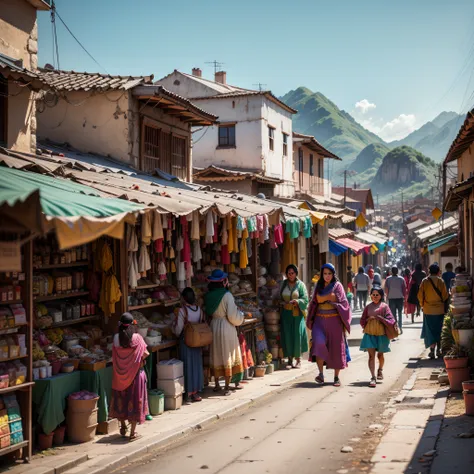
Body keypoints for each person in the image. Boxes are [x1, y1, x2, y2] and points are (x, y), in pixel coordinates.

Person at [307, 263, 351, 387]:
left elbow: (343, 303)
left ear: (333, 274)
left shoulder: (338, 286)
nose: (327, 276)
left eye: (329, 274)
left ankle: (336, 377)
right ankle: (320, 374)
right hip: (319, 320)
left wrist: (327, 298)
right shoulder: (318, 286)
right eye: (325, 273)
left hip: (334, 321)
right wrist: (329, 297)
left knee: (336, 348)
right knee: (319, 343)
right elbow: (316, 300)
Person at [205, 269, 244, 396]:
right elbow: (232, 316)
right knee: (228, 355)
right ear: (223, 282)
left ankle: (216, 384)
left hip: (214, 326)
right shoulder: (227, 295)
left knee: (216, 354)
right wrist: (241, 316)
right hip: (226, 326)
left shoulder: (208, 296)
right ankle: (227, 386)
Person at [110, 312, 149, 441]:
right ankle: (132, 433)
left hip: (119, 376)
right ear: (133, 324)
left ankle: (122, 427)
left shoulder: (116, 338)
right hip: (135, 375)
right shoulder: (137, 338)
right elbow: (145, 354)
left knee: (121, 400)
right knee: (135, 401)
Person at [172, 287, 204, 402]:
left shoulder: (182, 311)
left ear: (184, 298)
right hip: (197, 341)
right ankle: (196, 391)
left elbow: (178, 329)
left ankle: (188, 393)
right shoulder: (199, 310)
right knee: (196, 366)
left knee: (187, 366)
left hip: (186, 341)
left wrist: (173, 330)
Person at [360, 287, 396, 387]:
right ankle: (373, 377)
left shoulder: (385, 307)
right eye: (373, 295)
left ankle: (380, 369)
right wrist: (368, 320)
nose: (375, 297)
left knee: (380, 355)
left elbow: (391, 320)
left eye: (377, 295)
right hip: (369, 334)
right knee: (371, 356)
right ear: (370, 295)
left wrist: (381, 319)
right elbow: (362, 320)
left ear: (381, 296)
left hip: (382, 335)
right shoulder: (368, 307)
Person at [279, 264, 309, 369]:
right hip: (286, 314)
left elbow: (305, 299)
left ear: (296, 273)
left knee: (297, 335)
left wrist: (297, 301)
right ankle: (290, 360)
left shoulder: (301, 285)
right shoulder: (283, 284)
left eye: (292, 273)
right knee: (287, 335)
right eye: (288, 273)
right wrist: (282, 303)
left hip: (297, 314)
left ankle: (298, 360)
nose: (290, 275)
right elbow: (278, 297)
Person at [418, 264, 449, 359]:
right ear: (438, 271)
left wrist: (422, 305)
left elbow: (420, 295)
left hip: (428, 310)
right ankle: (439, 350)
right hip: (439, 310)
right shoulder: (440, 281)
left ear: (429, 271)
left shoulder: (425, 281)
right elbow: (445, 296)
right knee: (439, 330)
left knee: (430, 331)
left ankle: (432, 351)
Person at [384, 266, 406, 334]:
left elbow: (386, 289)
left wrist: (387, 297)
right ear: (397, 271)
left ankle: (395, 328)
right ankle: (401, 328)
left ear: (391, 271)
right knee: (400, 313)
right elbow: (404, 289)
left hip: (391, 298)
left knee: (393, 315)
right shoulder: (402, 279)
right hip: (400, 298)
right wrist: (404, 298)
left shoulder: (388, 279)